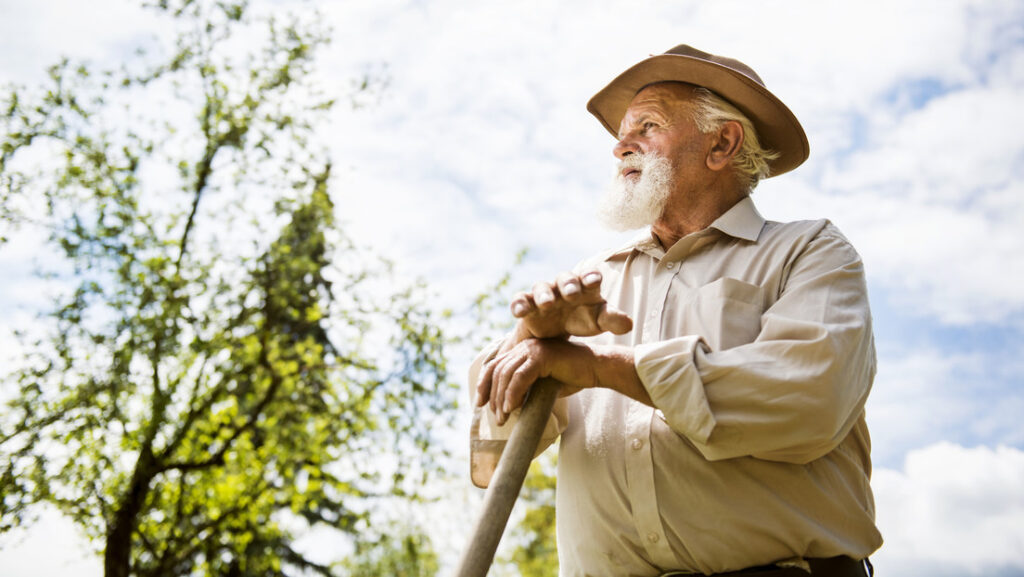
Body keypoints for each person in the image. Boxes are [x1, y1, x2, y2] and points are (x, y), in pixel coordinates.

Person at [470, 45, 882, 577]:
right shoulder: (588, 283)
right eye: (623, 131)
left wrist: (600, 367)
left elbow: (808, 398)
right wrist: (530, 339)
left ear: (721, 143)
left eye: (648, 125)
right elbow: (492, 458)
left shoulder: (809, 252)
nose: (621, 146)